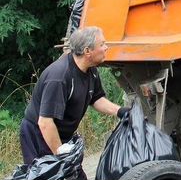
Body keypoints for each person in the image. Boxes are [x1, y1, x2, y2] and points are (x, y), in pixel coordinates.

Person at [20, 27, 128, 178]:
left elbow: (96, 99)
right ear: (87, 51)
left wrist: (121, 111)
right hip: (39, 134)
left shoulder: (90, 70)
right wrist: (63, 157)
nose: (106, 47)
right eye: (102, 44)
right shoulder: (59, 77)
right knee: (49, 175)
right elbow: (45, 122)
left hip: (61, 133)